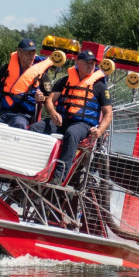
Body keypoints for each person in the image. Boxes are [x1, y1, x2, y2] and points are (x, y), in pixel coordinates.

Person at [30, 48, 113, 184]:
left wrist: (100, 130)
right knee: (34, 128)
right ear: (78, 63)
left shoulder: (99, 87)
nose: (91, 65)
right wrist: (53, 113)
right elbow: (49, 100)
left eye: (93, 63)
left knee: (72, 133)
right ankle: (31, 166)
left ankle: (59, 176)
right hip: (61, 120)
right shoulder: (64, 81)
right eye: (87, 62)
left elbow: (108, 113)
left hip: (83, 125)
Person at [0, 38, 52, 129]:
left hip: (22, 114)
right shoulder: (7, 68)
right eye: (28, 53)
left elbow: (49, 98)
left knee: (19, 125)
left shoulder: (41, 73)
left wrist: (42, 98)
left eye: (33, 53)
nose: (32, 56)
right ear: (19, 53)